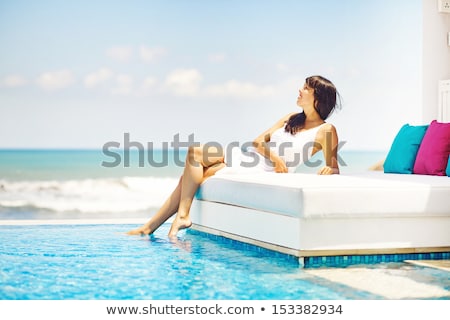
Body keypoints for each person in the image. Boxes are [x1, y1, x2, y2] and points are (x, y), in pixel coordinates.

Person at [127, 75, 341, 239]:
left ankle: (153, 226)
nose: (300, 90)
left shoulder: (326, 130)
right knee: (195, 153)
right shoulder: (291, 118)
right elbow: (257, 142)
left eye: (306, 88)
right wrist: (275, 157)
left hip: (264, 172)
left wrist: (329, 170)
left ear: (317, 98)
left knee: (194, 174)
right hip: (253, 159)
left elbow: (333, 166)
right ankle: (171, 219)